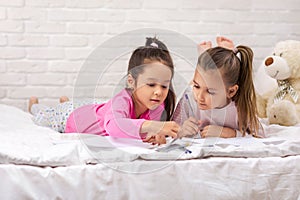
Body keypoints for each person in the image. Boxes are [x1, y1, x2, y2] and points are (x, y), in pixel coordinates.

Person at [29, 37, 179, 144]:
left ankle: (66, 102)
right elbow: (115, 127)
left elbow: (144, 130)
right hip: (72, 118)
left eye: (164, 85)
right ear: (131, 82)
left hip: (95, 109)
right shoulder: (122, 100)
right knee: (45, 115)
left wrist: (156, 134)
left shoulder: (157, 105)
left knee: (93, 106)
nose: (159, 92)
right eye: (151, 84)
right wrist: (153, 126)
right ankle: (34, 105)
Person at [173, 36, 262, 138]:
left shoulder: (239, 106)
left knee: (209, 78)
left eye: (210, 92)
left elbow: (258, 134)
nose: (200, 97)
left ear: (231, 91)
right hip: (199, 83)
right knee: (197, 84)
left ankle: (222, 54)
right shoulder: (189, 98)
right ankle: (208, 54)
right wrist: (182, 131)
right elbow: (172, 129)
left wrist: (231, 133)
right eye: (196, 86)